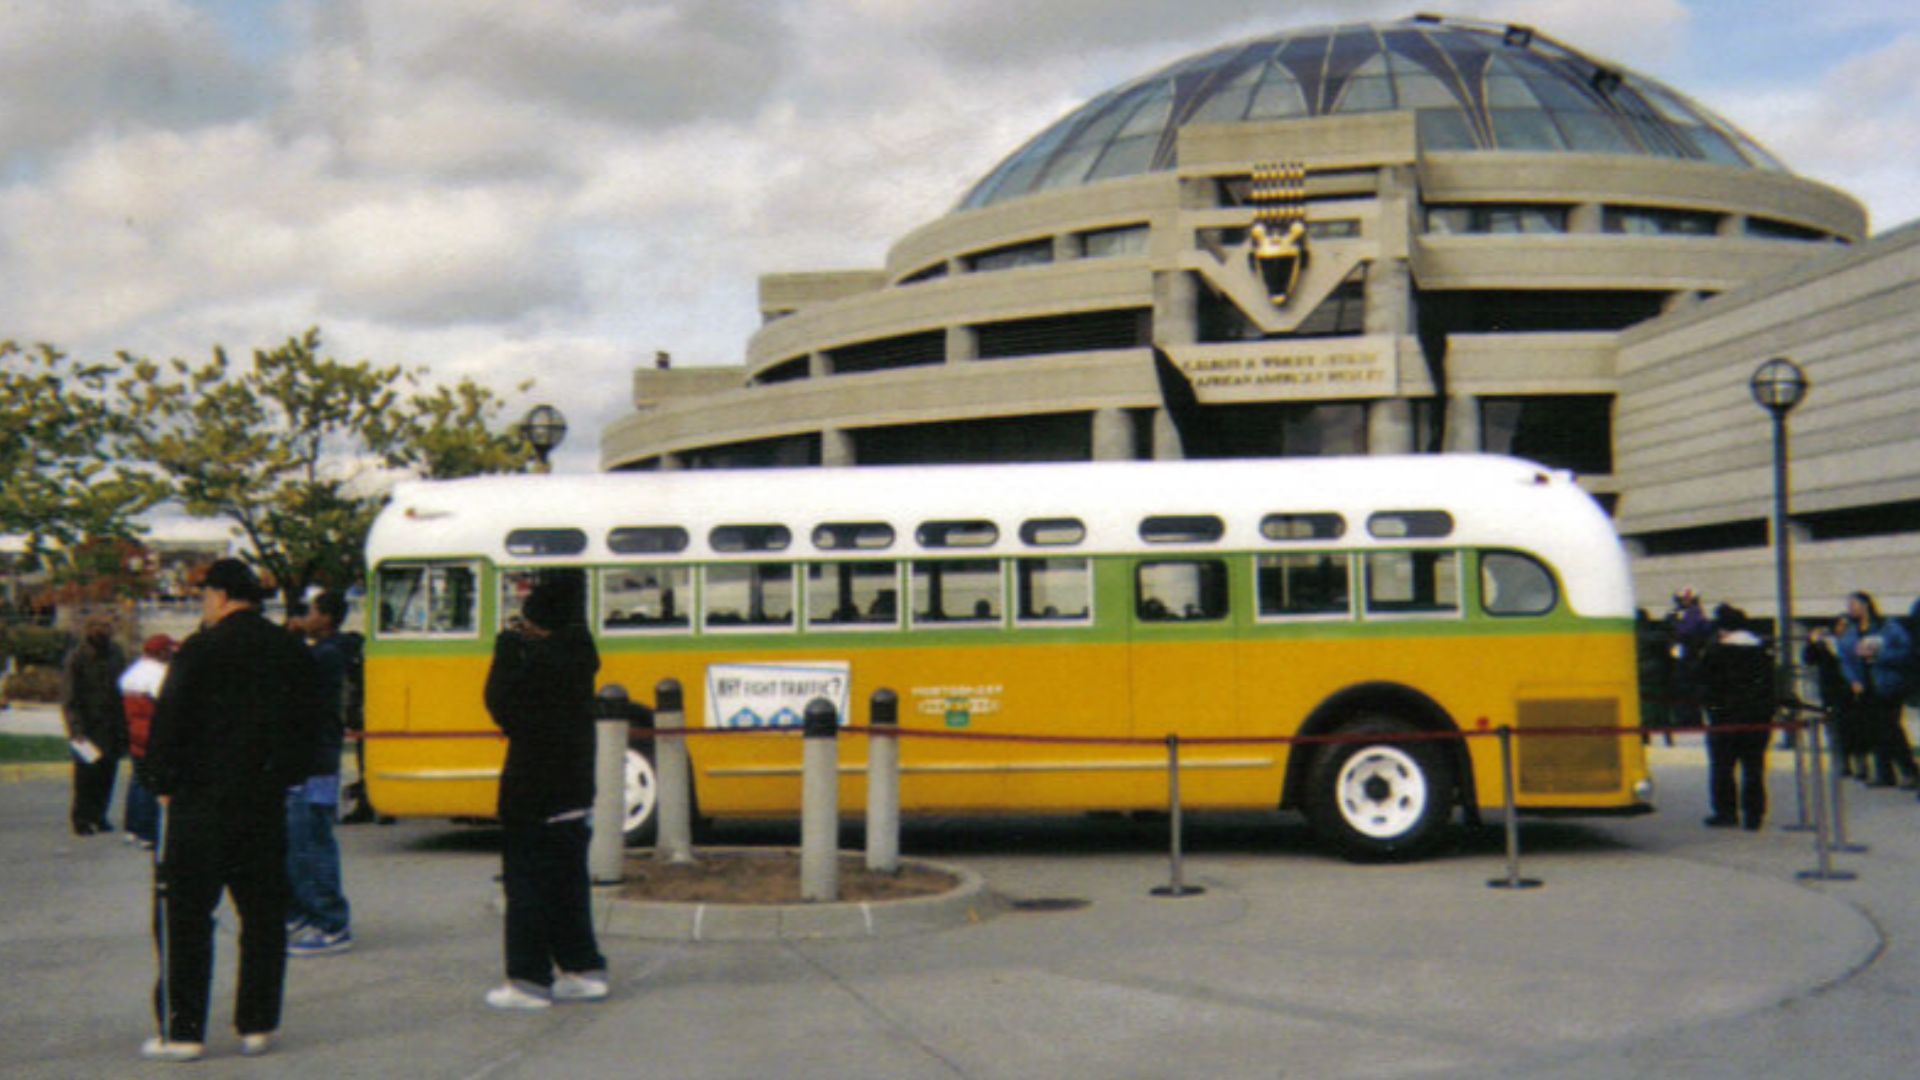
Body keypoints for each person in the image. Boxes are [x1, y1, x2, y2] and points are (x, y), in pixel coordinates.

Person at [139, 558, 323, 1062]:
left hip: (201, 802)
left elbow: (170, 720)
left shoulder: (201, 649)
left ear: (219, 596)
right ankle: (258, 1023)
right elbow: (314, 722)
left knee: (186, 915)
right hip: (264, 801)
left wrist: (160, 780)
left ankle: (184, 1030)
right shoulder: (289, 649)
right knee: (263, 915)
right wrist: (287, 773)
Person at [482, 575, 609, 1010]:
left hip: (534, 790)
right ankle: (583, 968)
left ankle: (528, 979)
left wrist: (505, 651)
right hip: (574, 790)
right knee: (569, 883)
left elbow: (502, 705)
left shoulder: (536, 664)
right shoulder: (581, 655)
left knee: (527, 885)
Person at [285, 590, 355, 956]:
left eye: (309, 611)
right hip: (318, 759)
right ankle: (307, 913)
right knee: (303, 842)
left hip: (316, 761)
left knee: (312, 843)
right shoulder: (327, 652)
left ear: (326, 617)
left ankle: (330, 922)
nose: (303, 617)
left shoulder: (325, 655)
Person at [1698, 604, 1773, 831]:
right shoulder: (1761, 652)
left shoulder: (1716, 653)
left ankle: (1726, 812)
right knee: (1754, 768)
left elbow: (1705, 685)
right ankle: (1754, 814)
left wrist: (1711, 709)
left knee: (1723, 767)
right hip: (1757, 720)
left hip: (1725, 719)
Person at [1835, 590, 1916, 789]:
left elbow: (1907, 650)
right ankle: (1885, 774)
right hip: (1865, 685)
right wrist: (1853, 679)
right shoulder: (1850, 632)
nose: (1850, 608)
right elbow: (1844, 658)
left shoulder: (1887, 627)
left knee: (1890, 727)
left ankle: (1910, 771)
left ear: (1866, 605)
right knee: (1875, 729)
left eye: (1854, 604)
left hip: (1887, 684)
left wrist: (1879, 654)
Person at [60, 613, 129, 836]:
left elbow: (123, 687)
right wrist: (76, 730)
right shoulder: (77, 657)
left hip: (112, 725)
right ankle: (82, 818)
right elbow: (69, 698)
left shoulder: (116, 653)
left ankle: (100, 816)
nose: (103, 630)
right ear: (89, 628)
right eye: (99, 626)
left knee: (107, 773)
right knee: (86, 775)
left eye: (107, 626)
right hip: (87, 727)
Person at [119, 634, 176, 850]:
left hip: (133, 731)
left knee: (137, 779)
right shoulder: (158, 674)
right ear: (161, 652)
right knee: (150, 782)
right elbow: (165, 701)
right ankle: (146, 831)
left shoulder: (133, 672)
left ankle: (132, 827)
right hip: (150, 732)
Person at [1804, 620, 1860, 779]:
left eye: (1847, 625)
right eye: (1840, 625)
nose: (1843, 629)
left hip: (1851, 689)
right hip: (1831, 692)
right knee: (1835, 728)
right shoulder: (1824, 645)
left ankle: (1859, 763)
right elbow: (1808, 659)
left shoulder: (1852, 644)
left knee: (1853, 728)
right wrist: (1812, 642)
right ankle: (1842, 763)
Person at [1666, 588, 1711, 733]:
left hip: (1691, 657)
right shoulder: (1674, 614)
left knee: (1690, 689)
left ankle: (1691, 720)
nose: (1684, 601)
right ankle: (1683, 719)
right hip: (1680, 657)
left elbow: (1690, 632)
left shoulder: (1696, 615)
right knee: (1682, 689)